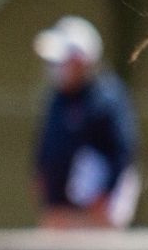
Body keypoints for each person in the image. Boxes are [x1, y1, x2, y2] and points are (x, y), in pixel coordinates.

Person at [33, 15, 139, 229]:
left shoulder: (107, 98)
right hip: (60, 209)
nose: (55, 68)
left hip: (97, 210)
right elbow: (47, 146)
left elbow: (122, 151)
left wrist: (105, 193)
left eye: (62, 61)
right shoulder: (57, 99)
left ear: (82, 61)